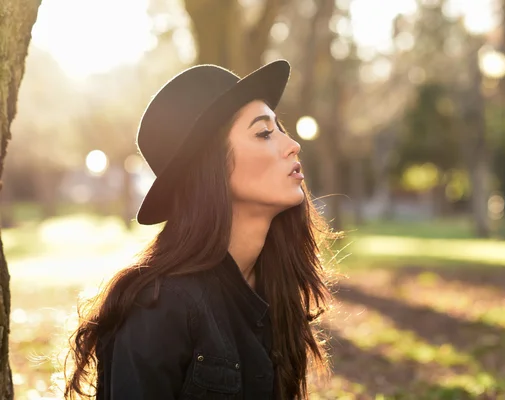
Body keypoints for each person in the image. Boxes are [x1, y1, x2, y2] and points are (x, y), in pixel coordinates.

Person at [63, 59, 342, 399]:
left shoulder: (274, 287)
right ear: (212, 167)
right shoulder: (158, 308)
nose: (291, 144)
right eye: (265, 133)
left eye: (280, 129)